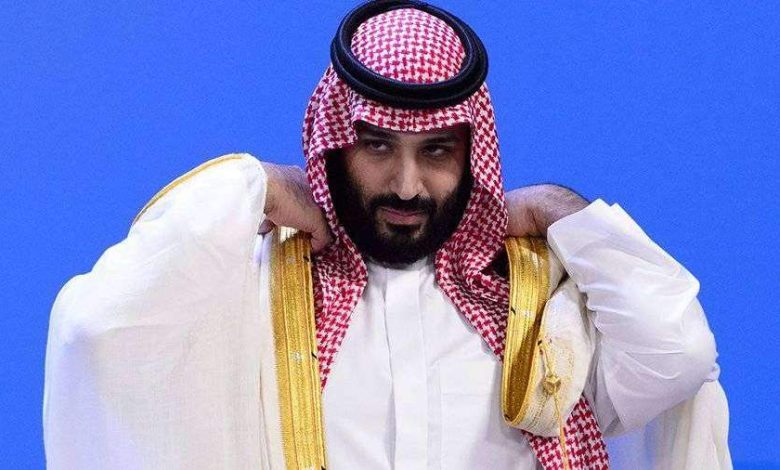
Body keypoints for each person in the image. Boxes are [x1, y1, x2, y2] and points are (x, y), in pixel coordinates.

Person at [43, 1, 730, 469]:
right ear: (334, 146)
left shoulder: (536, 305)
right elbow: (96, 330)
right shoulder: (256, 298)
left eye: (437, 151)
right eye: (376, 146)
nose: (406, 185)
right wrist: (256, 184)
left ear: (474, 157)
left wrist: (560, 210)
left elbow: (679, 355)